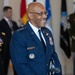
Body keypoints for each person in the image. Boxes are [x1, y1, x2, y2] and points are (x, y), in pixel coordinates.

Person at [10, 2, 62, 75]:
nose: (44, 16)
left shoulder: (47, 33)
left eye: (45, 13)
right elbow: (20, 65)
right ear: (30, 16)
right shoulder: (19, 35)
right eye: (40, 14)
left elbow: (53, 56)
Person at [0, 6, 19, 75]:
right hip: (6, 48)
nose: (11, 14)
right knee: (4, 66)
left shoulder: (14, 23)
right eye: (9, 12)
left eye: (11, 12)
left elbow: (18, 32)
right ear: (5, 12)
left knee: (16, 66)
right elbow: (2, 36)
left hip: (14, 48)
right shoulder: (1, 23)